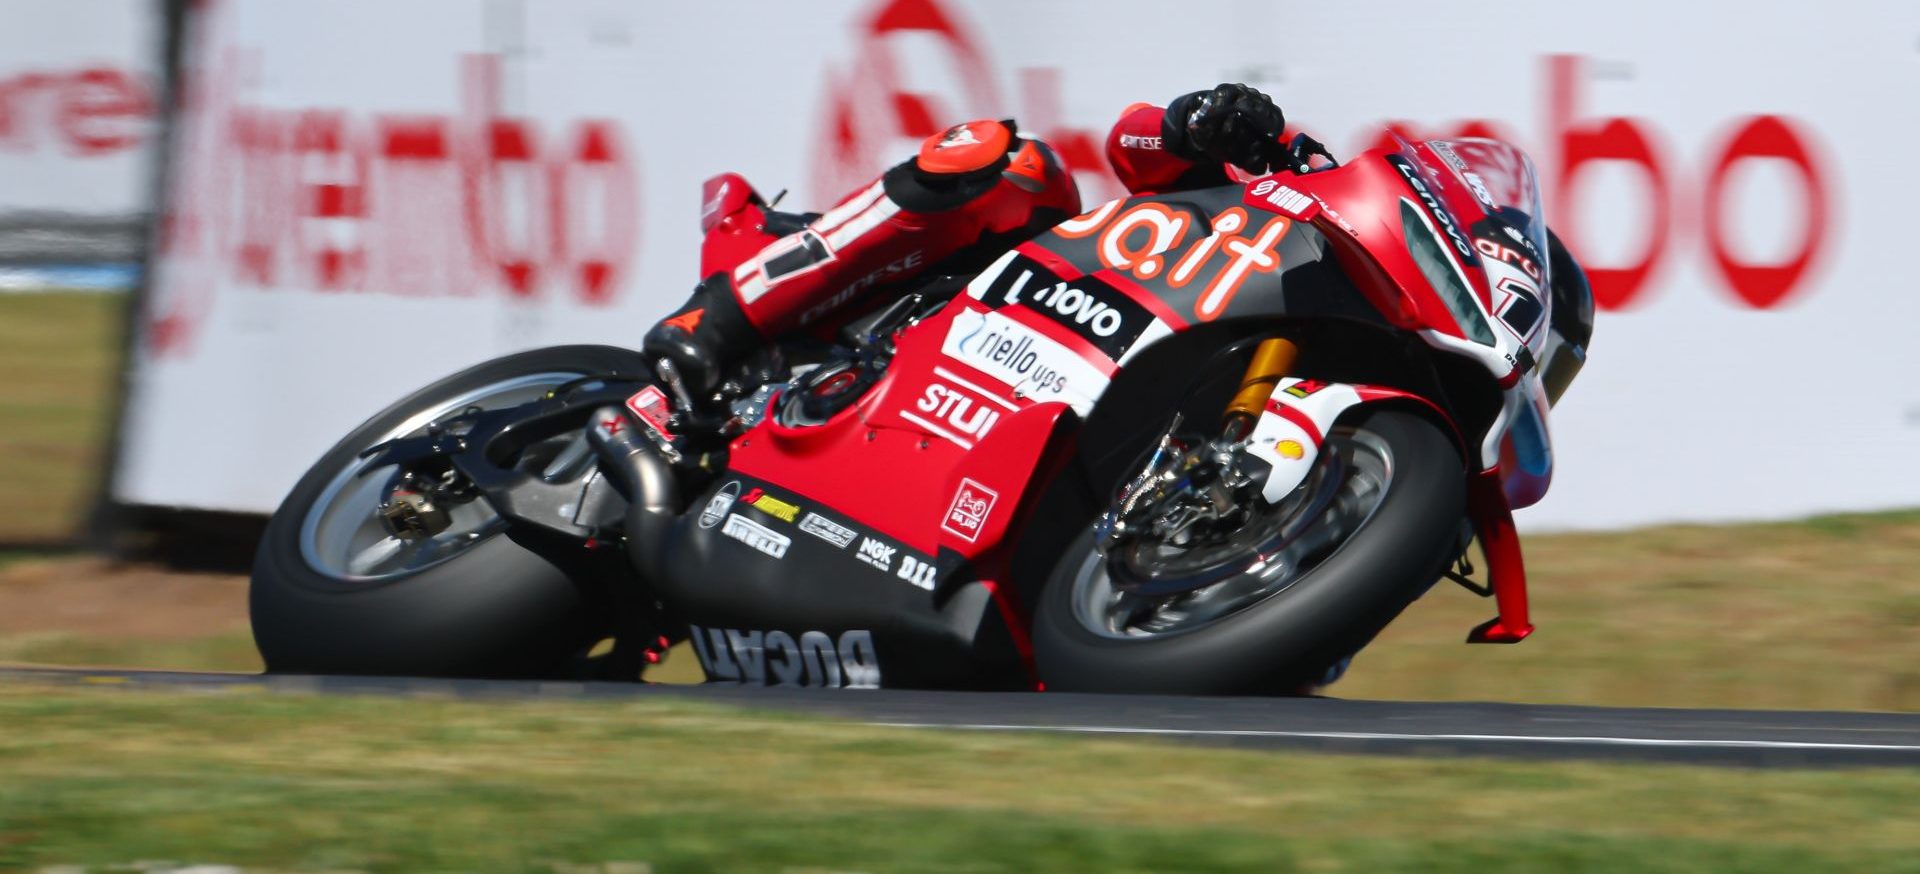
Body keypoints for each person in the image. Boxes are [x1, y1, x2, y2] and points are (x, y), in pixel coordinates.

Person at [642, 83, 1288, 426]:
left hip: (1040, 424)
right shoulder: (1288, 176)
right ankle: (720, 319)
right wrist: (1190, 122)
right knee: (1019, 162)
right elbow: (1130, 146)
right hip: (1011, 305)